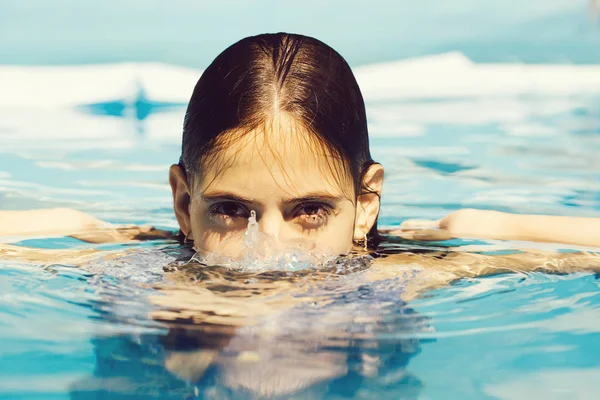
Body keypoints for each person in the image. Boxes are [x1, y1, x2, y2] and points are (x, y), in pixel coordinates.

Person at [2, 32, 600, 397]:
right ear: (184, 202)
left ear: (366, 203)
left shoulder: (405, 272)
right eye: (232, 210)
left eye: (310, 210)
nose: (268, 249)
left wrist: (486, 226)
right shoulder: (139, 277)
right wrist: (65, 217)